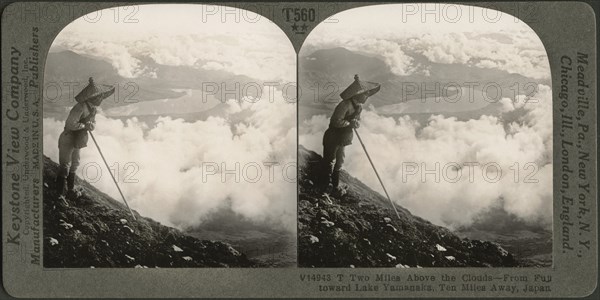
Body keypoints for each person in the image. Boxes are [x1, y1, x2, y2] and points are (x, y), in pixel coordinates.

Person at [319, 74, 380, 194]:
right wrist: (349, 124)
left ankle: (334, 186)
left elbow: (357, 120)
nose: (367, 96)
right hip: (333, 137)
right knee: (330, 161)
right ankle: (324, 187)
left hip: (343, 138)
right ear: (358, 94)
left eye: (367, 94)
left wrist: (356, 123)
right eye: (365, 93)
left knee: (340, 162)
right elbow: (335, 121)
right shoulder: (344, 105)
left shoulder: (359, 107)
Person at [56, 77, 114, 198]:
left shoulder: (93, 109)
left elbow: (92, 123)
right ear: (92, 97)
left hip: (77, 139)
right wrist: (84, 126)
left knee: (75, 163)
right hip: (68, 138)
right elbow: (70, 124)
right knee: (65, 164)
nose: (101, 99)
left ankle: (70, 189)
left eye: (102, 96)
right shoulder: (80, 107)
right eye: (99, 96)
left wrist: (91, 126)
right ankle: (59, 194)